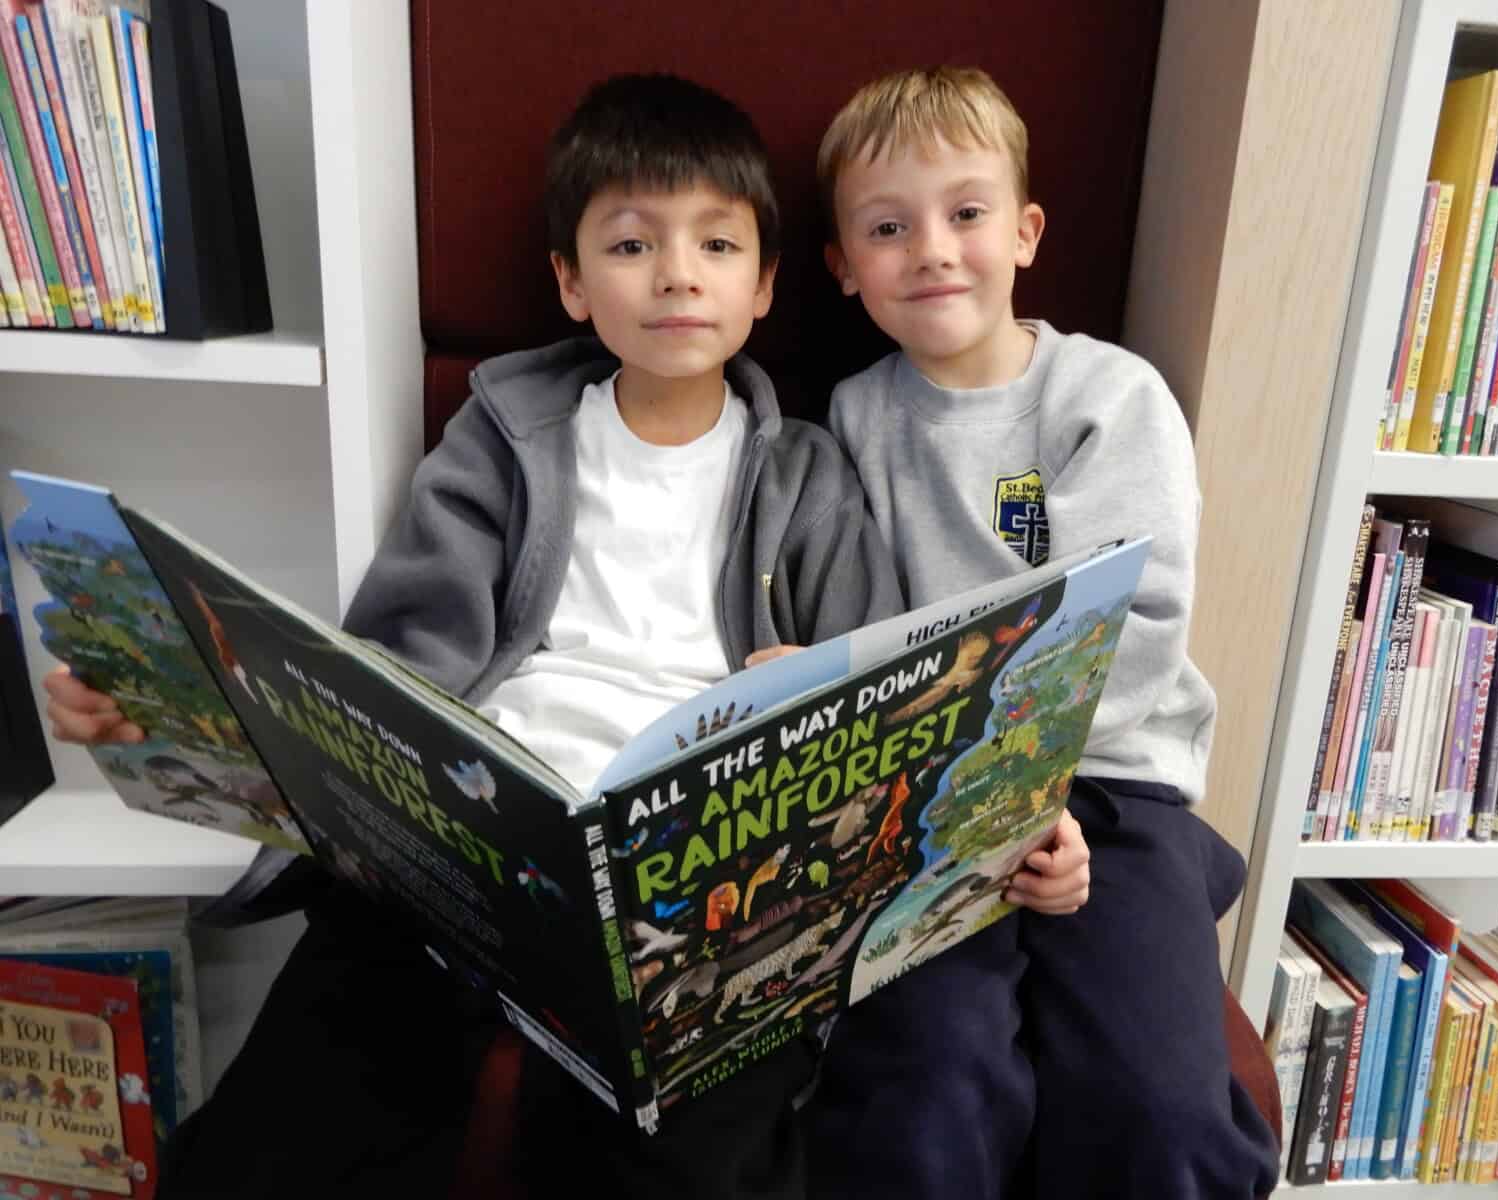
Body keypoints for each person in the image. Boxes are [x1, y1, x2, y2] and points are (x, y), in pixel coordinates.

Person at [47, 73, 906, 1200]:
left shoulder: (811, 478)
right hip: (481, 840)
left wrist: (816, 685)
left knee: (692, 1148)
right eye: (632, 244)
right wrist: (178, 709)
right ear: (571, 282)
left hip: (698, 880)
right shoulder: (504, 440)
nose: (678, 273)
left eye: (717, 244)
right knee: (296, 1105)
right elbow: (390, 667)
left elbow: (885, 688)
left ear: (765, 284)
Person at [803, 66, 1281, 1199]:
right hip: (929, 800)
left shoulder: (1107, 397)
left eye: (965, 213)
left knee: (1160, 1109)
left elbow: (1135, 623)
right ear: (842, 264)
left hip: (1111, 782)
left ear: (1023, 232)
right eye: (887, 227)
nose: (931, 250)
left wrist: (1027, 789)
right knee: (927, 1088)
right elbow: (863, 625)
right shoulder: (855, 416)